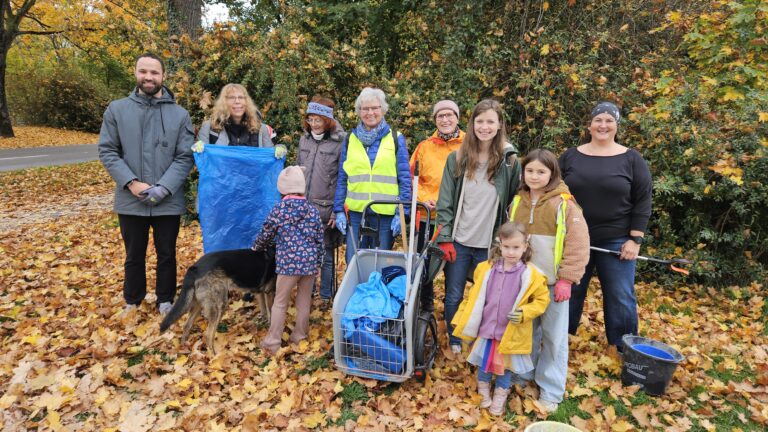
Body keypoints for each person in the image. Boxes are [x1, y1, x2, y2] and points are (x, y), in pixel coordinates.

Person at [98, 52, 195, 315]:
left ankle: (165, 299)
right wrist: (131, 183)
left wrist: (164, 187)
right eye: (144, 71)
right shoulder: (117, 110)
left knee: (167, 253)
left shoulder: (180, 115)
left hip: (168, 200)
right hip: (131, 199)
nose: (148, 77)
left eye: (154, 72)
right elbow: (108, 150)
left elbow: (186, 155)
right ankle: (133, 299)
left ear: (163, 76)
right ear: (136, 73)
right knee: (133, 255)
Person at [559, 101, 652, 353]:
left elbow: (643, 200)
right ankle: (559, 343)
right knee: (569, 291)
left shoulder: (631, 159)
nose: (603, 125)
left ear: (616, 126)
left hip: (616, 240)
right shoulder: (570, 156)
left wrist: (635, 240)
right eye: (598, 120)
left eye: (609, 120)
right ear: (589, 125)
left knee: (621, 296)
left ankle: (624, 348)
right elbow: (552, 191)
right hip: (573, 239)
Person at [435, 99, 522, 354]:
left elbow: (514, 202)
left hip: (490, 244)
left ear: (499, 125)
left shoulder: (509, 161)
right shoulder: (458, 157)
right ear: (472, 124)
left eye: (490, 122)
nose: (484, 127)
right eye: (479, 121)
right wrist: (446, 237)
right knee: (453, 295)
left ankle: (482, 338)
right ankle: (454, 338)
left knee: (487, 295)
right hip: (460, 241)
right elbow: (445, 202)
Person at [508, 148, 590, 412]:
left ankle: (551, 390)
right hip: (524, 283)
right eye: (529, 171)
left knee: (554, 337)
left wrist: (566, 279)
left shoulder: (564, 204)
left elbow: (578, 244)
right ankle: (523, 375)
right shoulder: (518, 202)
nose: (534, 176)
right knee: (526, 332)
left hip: (554, 284)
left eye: (541, 171)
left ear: (552, 173)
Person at [451, 222, 550, 416]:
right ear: (500, 245)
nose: (511, 252)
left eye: (516, 247)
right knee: (484, 364)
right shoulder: (486, 269)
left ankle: (499, 398)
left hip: (509, 332)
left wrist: (524, 313)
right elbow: (475, 295)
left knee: (504, 368)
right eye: (506, 247)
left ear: (525, 246)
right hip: (487, 328)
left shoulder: (531, 275)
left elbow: (541, 300)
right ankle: (484, 394)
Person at [333, 87, 412, 265]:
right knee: (354, 261)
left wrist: (403, 213)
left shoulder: (395, 138)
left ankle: (377, 293)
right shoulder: (349, 139)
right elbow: (343, 178)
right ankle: (354, 293)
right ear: (359, 112)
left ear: (382, 109)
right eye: (365, 109)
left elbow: (404, 178)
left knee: (380, 262)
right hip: (356, 212)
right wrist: (338, 210)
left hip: (385, 212)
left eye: (374, 108)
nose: (370, 112)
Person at [251, 166, 324, 355]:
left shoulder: (279, 210)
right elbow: (319, 239)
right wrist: (318, 262)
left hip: (287, 265)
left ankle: (273, 341)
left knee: (280, 302)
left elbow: (266, 233)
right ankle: (300, 337)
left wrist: (256, 248)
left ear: (282, 189)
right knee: (304, 302)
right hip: (309, 264)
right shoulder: (312, 210)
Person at [409, 99, 465, 312]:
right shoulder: (424, 147)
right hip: (427, 216)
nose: (445, 119)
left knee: (454, 265)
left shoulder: (469, 145)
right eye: (440, 116)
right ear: (435, 120)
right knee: (423, 265)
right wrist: (424, 199)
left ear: (457, 118)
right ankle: (425, 306)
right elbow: (412, 179)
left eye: (449, 115)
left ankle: (452, 309)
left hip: (455, 218)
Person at [297, 96, 346, 306]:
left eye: (319, 120)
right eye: (311, 119)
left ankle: (326, 295)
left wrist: (337, 210)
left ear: (328, 120)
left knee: (326, 254)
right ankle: (306, 293)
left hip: (325, 207)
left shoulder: (340, 142)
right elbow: (298, 169)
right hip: (303, 206)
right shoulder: (304, 140)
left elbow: (342, 178)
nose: (314, 124)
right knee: (303, 253)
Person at [197, 83, 286, 158]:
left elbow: (270, 155)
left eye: (241, 97)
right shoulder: (210, 128)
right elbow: (203, 160)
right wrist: (198, 151)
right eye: (232, 98)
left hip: (253, 178)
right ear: (224, 102)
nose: (237, 101)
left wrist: (279, 149)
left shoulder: (261, 129)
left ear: (246, 102)